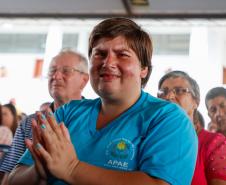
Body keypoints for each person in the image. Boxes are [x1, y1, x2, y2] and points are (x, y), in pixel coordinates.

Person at [9, 18, 197, 185]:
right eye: (99, 54)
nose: (107, 63)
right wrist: (39, 171)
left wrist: (72, 168)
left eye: (122, 54)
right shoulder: (69, 112)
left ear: (144, 69)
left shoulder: (168, 119)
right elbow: (13, 179)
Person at [0, 49, 89, 185]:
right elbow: (9, 176)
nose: (56, 76)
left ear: (84, 80)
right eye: (52, 71)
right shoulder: (30, 122)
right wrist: (38, 169)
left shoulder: (95, 118)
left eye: (66, 71)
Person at [157, 70, 226, 185]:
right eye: (163, 92)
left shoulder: (213, 143)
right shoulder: (151, 140)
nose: (169, 96)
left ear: (196, 102)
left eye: (179, 91)